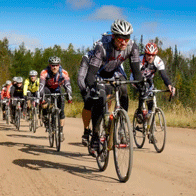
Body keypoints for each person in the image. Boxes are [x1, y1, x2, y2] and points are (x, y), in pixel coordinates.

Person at [84, 19, 143, 150]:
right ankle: (94, 135)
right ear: (113, 36)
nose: (123, 42)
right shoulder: (102, 47)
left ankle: (122, 122)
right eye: (120, 39)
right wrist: (92, 85)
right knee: (100, 97)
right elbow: (91, 73)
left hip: (115, 70)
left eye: (126, 39)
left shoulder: (132, 46)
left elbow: (137, 72)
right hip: (99, 72)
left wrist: (140, 84)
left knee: (123, 87)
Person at [131, 42, 175, 123]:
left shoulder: (158, 61)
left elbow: (164, 75)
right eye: (148, 54)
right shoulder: (140, 59)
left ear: (155, 55)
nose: (150, 57)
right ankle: (140, 111)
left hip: (148, 79)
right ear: (145, 54)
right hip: (136, 78)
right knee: (144, 89)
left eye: (152, 55)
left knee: (151, 92)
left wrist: (169, 85)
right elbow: (135, 73)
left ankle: (149, 115)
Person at [39, 56, 72, 142]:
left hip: (58, 89)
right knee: (45, 101)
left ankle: (60, 131)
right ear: (49, 65)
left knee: (61, 110)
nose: (54, 67)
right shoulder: (44, 72)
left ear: (59, 65)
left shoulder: (64, 73)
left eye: (56, 65)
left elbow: (67, 85)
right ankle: (45, 116)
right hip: (47, 89)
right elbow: (42, 85)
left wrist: (69, 94)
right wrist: (42, 95)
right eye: (52, 65)